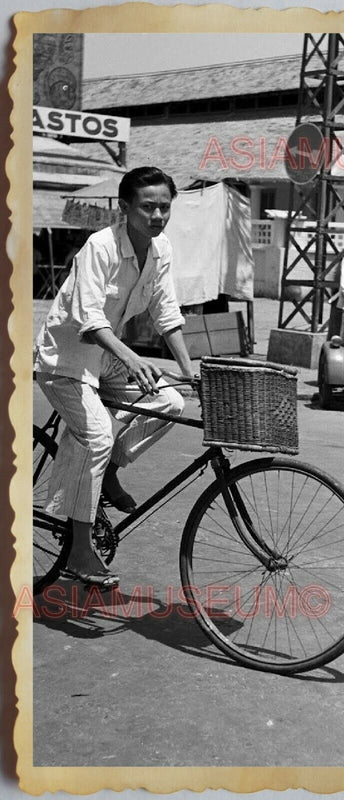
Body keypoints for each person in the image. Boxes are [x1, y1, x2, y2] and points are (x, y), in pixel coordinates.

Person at [34, 166, 194, 589]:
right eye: (148, 207)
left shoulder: (160, 250)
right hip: (65, 359)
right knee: (98, 436)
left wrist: (187, 371)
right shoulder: (100, 246)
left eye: (164, 206)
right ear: (125, 209)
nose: (157, 215)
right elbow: (87, 320)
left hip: (104, 359)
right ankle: (79, 552)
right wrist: (132, 357)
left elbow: (166, 313)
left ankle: (106, 472)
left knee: (170, 402)